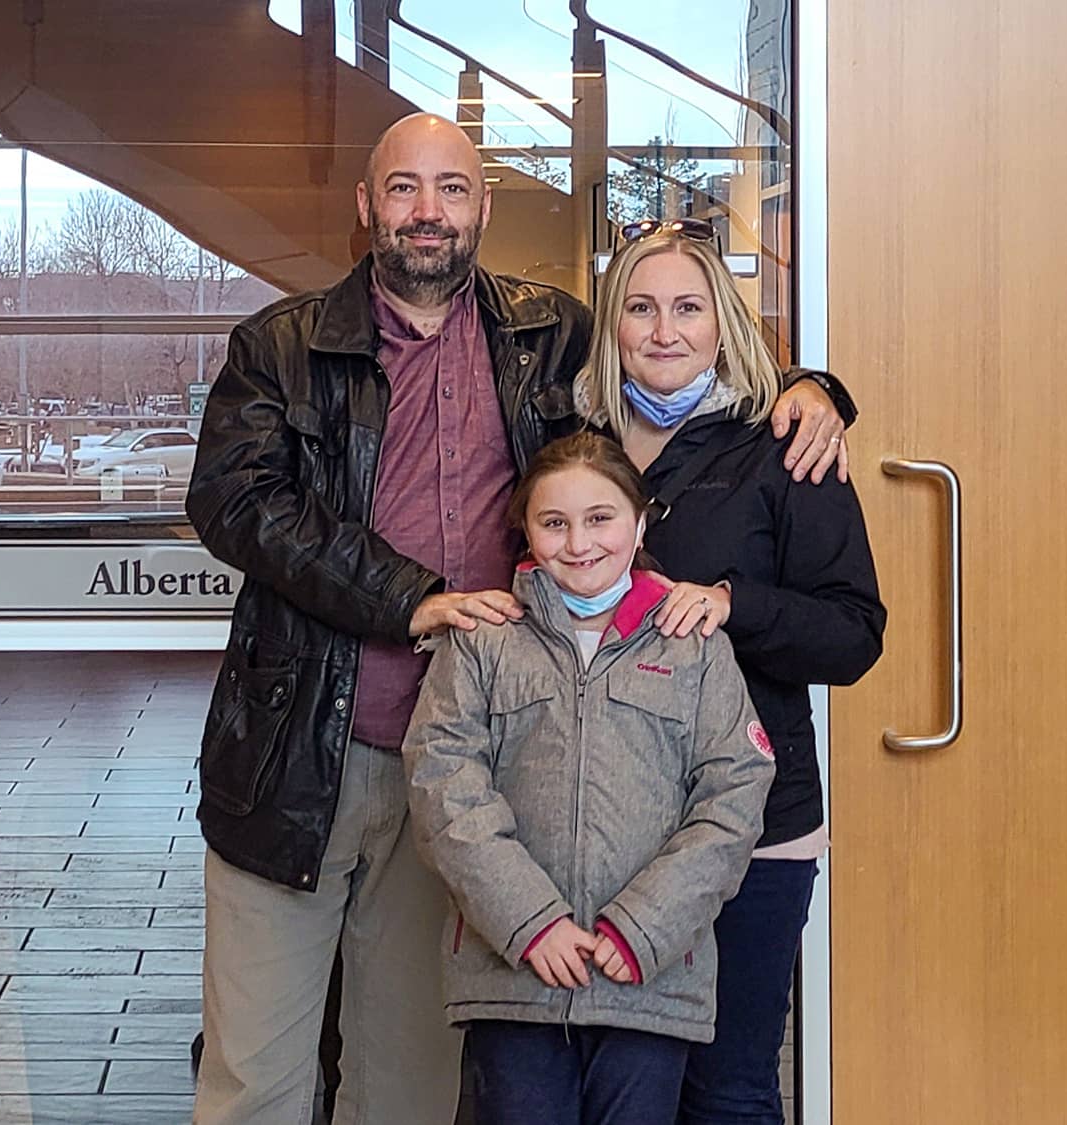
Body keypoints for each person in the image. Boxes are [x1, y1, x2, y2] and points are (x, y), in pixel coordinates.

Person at [184, 111, 850, 1125]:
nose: (427, 212)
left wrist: (809, 388)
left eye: (450, 189)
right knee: (255, 1077)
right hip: (299, 753)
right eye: (402, 189)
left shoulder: (548, 335)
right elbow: (235, 503)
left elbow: (672, 355)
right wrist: (410, 597)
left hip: (469, 763)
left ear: (482, 208)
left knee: (406, 1075)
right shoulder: (277, 345)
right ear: (366, 208)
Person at [575, 219, 886, 1124]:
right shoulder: (572, 443)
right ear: (613, 325)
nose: (663, 330)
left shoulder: (787, 445)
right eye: (640, 307)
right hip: (608, 823)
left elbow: (852, 634)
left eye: (687, 307)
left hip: (757, 826)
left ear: (725, 325)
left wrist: (731, 601)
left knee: (729, 1088)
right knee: (621, 1090)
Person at [402, 431, 775, 1125]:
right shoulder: (484, 640)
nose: (579, 543)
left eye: (600, 518)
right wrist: (530, 922)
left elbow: (733, 797)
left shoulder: (692, 644)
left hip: (649, 978)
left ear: (638, 522)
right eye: (554, 522)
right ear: (527, 532)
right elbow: (442, 782)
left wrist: (642, 927)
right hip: (514, 975)